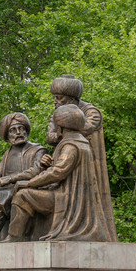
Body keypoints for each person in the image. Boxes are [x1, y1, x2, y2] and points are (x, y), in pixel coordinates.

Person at [8, 104, 112, 242]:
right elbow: (60, 168)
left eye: (56, 125)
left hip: (66, 199)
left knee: (23, 196)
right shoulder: (81, 142)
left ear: (62, 127)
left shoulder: (71, 146)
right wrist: (49, 163)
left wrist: (29, 183)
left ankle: (15, 238)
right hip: (69, 195)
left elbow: (57, 173)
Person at [46, 75, 117, 241]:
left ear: (71, 99)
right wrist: (59, 132)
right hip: (66, 161)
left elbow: (83, 128)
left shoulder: (91, 112)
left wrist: (63, 128)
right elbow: (50, 136)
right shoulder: (57, 114)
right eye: (54, 97)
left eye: (59, 97)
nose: (55, 101)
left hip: (86, 165)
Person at [0, 113, 50, 244]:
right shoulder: (8, 152)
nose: (18, 132)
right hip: (6, 190)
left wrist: (10, 178)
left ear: (26, 130)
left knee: (0, 197)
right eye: (13, 130)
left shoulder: (38, 150)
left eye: (21, 128)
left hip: (24, 188)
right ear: (7, 135)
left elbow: (36, 170)